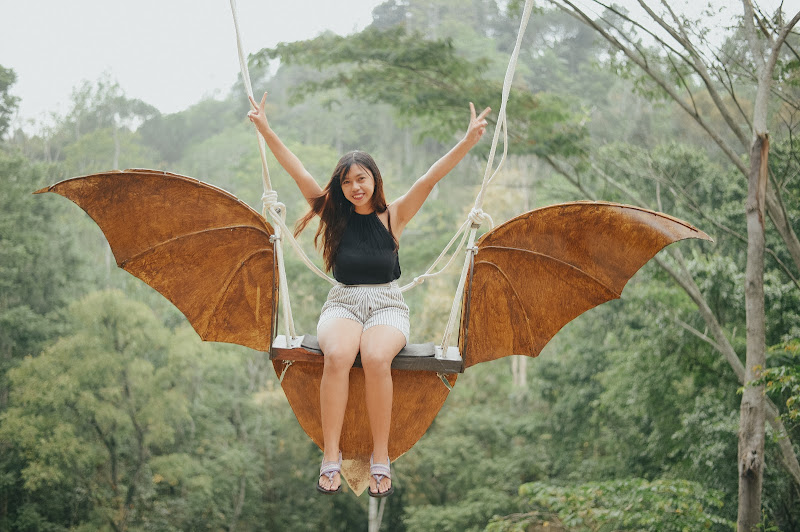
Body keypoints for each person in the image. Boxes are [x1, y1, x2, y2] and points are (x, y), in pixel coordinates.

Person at [247, 92, 490, 497]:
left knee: (377, 357)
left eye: (361, 178)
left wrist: (467, 141)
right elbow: (298, 171)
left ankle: (381, 456)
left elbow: (429, 177)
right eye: (347, 181)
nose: (355, 187)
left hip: (387, 305)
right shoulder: (331, 212)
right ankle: (330, 455)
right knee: (339, 355)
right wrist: (266, 130)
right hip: (343, 302)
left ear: (374, 179)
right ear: (340, 188)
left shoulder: (393, 215)